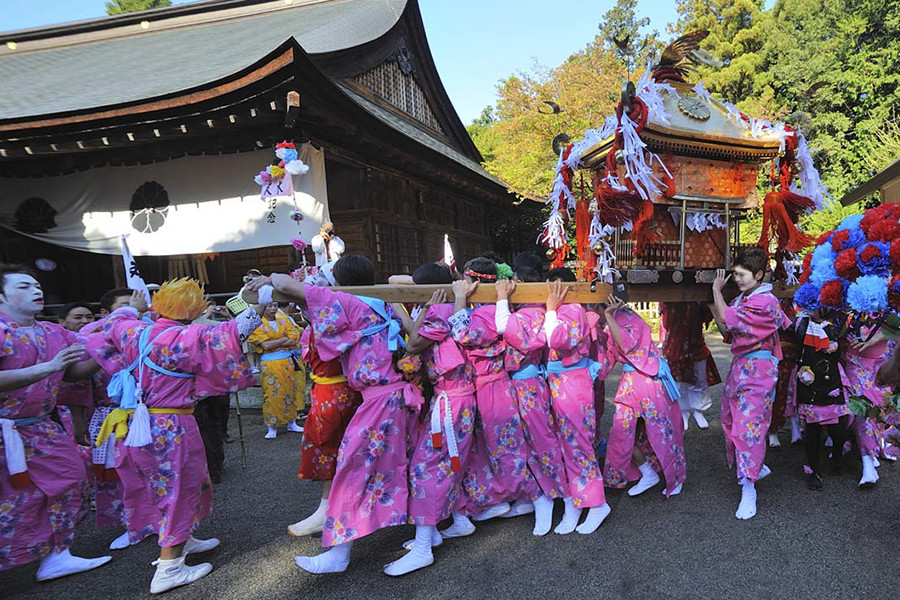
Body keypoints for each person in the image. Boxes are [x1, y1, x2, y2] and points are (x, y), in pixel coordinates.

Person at [83, 278, 261, 593]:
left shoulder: (135, 330)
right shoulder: (185, 336)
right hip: (173, 426)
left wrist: (133, 309)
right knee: (179, 489)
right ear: (197, 308)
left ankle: (185, 539)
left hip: (140, 423)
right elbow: (235, 332)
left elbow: (109, 326)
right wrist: (253, 302)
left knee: (161, 487)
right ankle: (169, 567)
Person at [251, 255, 422, 575]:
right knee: (405, 465)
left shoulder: (349, 301)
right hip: (395, 395)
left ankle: (339, 554)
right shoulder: (380, 302)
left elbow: (289, 286)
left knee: (351, 473)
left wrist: (270, 277)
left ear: (340, 282)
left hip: (378, 399)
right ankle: (427, 535)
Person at [0, 264, 111, 581]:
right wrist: (46, 367)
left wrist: (108, 349)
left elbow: (71, 373)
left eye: (37, 285)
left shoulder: (52, 331)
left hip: (39, 426)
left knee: (72, 478)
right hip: (4, 427)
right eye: (23, 286)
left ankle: (57, 556)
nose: (36, 290)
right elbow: (51, 368)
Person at [383, 261, 477, 575]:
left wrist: (422, 306)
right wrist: (401, 303)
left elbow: (412, 344)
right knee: (447, 463)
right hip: (452, 397)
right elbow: (417, 334)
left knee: (427, 468)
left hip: (452, 400)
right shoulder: (445, 306)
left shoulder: (440, 310)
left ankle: (424, 546)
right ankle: (454, 522)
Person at [451, 257, 538, 525]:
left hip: (493, 385)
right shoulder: (487, 310)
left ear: (475, 282)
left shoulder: (486, 314)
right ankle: (497, 497)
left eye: (465, 280)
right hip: (488, 385)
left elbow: (462, 335)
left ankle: (529, 494)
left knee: (504, 444)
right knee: (489, 445)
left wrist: (459, 300)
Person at [708, 247, 790, 520]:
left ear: (758, 274)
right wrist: (712, 303)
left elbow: (729, 319)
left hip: (759, 371)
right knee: (731, 421)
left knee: (749, 428)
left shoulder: (765, 302)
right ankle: (752, 467)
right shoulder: (746, 298)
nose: (738, 279)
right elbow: (727, 328)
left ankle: (749, 486)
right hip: (741, 367)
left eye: (742, 275)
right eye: (735, 274)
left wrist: (717, 292)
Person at [287, 268, 362, 538]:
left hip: (336, 392)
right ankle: (330, 507)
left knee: (329, 447)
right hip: (326, 390)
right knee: (329, 447)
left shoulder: (335, 319)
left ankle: (328, 508)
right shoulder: (319, 320)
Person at [495, 267, 568, 536]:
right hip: (518, 384)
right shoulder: (529, 310)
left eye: (515, 282)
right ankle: (539, 496)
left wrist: (502, 297)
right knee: (523, 443)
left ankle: (564, 496)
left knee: (541, 441)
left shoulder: (532, 311)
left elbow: (504, 326)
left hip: (528, 385)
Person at [541, 280, 613, 534]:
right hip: (565, 381)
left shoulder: (570, 310)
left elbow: (556, 338)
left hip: (572, 382)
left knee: (578, 444)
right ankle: (578, 500)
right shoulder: (569, 309)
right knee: (568, 445)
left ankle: (596, 503)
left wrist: (550, 310)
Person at [603, 295, 687, 499]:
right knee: (621, 432)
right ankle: (648, 473)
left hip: (649, 381)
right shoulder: (610, 322)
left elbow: (626, 345)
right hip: (631, 382)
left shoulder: (624, 318)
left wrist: (607, 316)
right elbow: (607, 360)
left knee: (662, 433)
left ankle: (675, 477)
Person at [790, 306, 850, 490]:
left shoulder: (839, 321)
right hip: (809, 381)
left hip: (832, 381)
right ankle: (814, 471)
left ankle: (838, 453)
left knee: (838, 429)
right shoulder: (800, 323)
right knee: (812, 430)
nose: (813, 307)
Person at [659, 302, 721, 431]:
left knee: (700, 378)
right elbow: (666, 322)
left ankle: (699, 410)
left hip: (695, 342)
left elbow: (706, 316)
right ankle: (683, 411)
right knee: (679, 382)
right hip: (676, 344)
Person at [248, 301, 306, 439]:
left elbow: (293, 338)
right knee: (271, 393)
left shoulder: (283, 320)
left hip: (287, 361)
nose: (273, 308)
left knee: (290, 390)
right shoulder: (258, 323)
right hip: (269, 362)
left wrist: (276, 342)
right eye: (270, 306)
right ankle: (271, 425)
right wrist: (283, 340)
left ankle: (292, 421)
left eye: (275, 305)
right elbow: (265, 345)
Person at [192, 303, 233, 483]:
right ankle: (215, 466)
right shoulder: (210, 325)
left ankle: (213, 467)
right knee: (213, 426)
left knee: (208, 427)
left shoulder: (198, 326)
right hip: (210, 383)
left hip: (205, 385)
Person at [56, 302, 97, 444]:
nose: (85, 321)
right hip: (71, 409)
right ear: (62, 322)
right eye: (78, 317)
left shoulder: (97, 339)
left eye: (89, 317)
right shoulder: (62, 343)